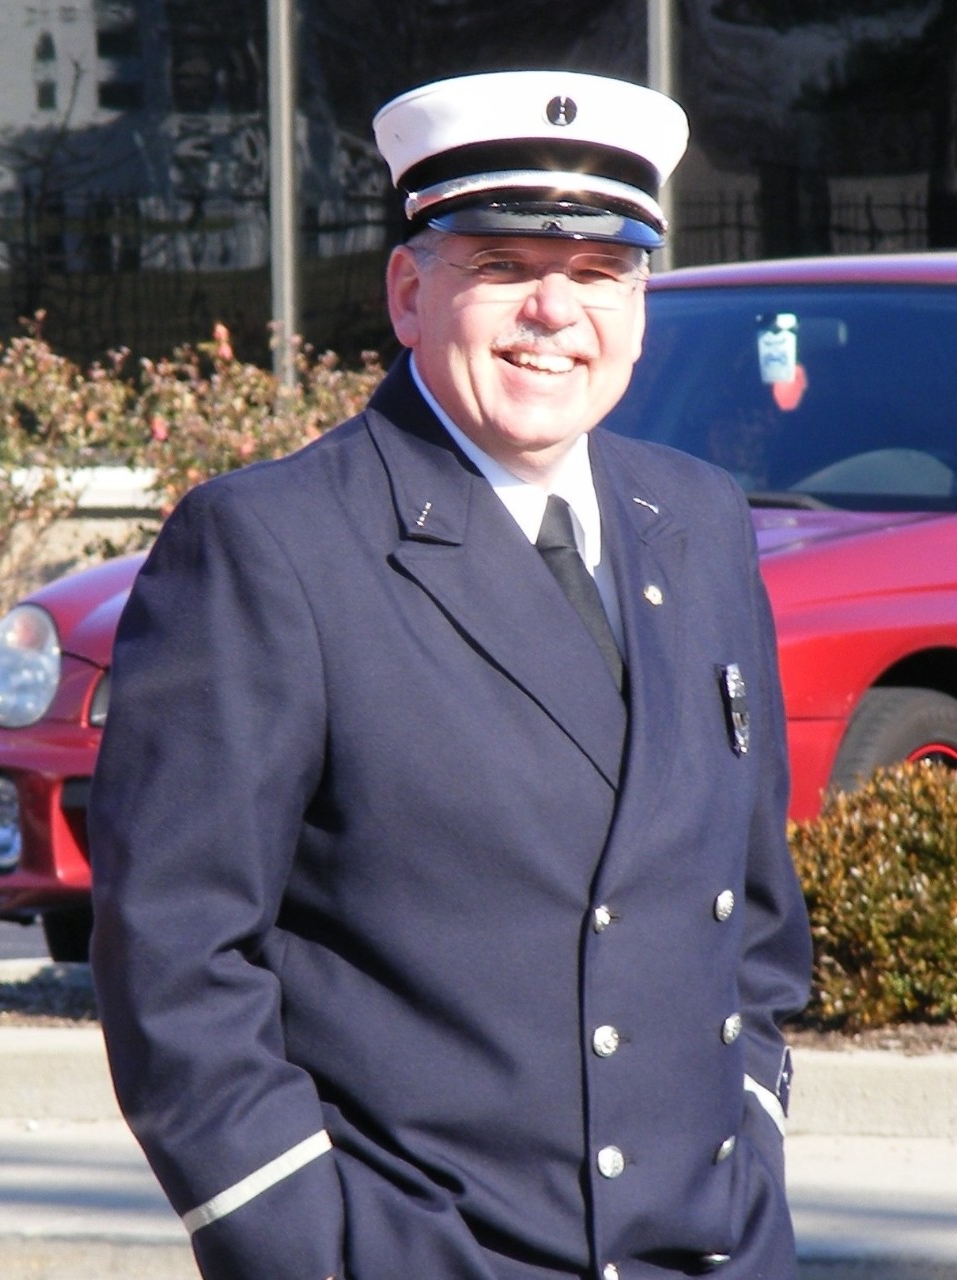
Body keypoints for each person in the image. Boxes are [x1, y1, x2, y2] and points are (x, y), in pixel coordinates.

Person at [89, 69, 812, 1280]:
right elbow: (176, 956)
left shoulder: (697, 519)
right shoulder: (274, 546)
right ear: (409, 293)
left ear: (639, 308)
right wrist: (314, 1248)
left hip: (713, 1249)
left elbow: (752, 904)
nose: (554, 310)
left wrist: (754, 1135)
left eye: (599, 271)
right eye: (503, 264)